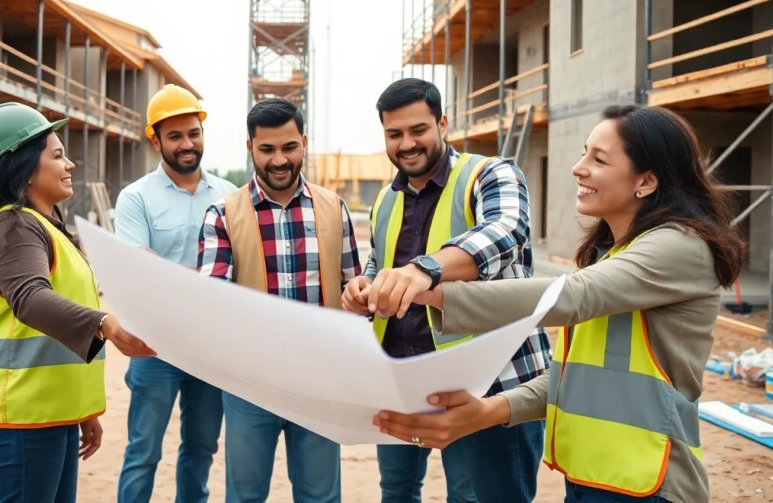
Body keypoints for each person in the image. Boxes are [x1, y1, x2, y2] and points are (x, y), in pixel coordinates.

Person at [369, 103, 746, 503]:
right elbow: (572, 374)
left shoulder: (678, 246)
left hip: (647, 483)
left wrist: (429, 287)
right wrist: (489, 411)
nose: (578, 168)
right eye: (584, 153)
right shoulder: (613, 255)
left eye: (599, 159)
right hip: (591, 478)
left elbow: (573, 296)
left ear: (646, 181)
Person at [340, 78, 550, 503]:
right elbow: (381, 262)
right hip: (402, 377)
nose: (407, 144)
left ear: (442, 124)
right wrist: (364, 287)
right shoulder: (385, 200)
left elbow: (506, 230)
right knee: (397, 492)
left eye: (418, 129)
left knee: (481, 498)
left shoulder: (490, 173)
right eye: (394, 134)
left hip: (489, 383)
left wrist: (426, 270)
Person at [0, 102, 155, 503]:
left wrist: (82, 411)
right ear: (24, 168)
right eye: (58, 155)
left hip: (48, 409)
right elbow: (30, 299)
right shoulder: (13, 228)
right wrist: (105, 324)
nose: (70, 164)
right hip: (22, 411)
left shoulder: (43, 227)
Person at [197, 98, 362, 503]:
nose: (279, 160)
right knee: (246, 496)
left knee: (321, 497)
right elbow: (211, 300)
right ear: (250, 148)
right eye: (267, 149)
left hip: (321, 382)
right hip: (251, 384)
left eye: (289, 147)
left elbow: (353, 289)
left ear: (304, 142)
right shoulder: (222, 214)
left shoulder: (334, 208)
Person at [114, 84, 237, 503]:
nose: (187, 144)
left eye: (193, 133)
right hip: (154, 344)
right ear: (155, 141)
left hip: (210, 348)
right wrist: (204, 278)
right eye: (175, 136)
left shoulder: (229, 196)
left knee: (202, 448)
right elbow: (138, 268)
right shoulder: (136, 198)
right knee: (143, 452)